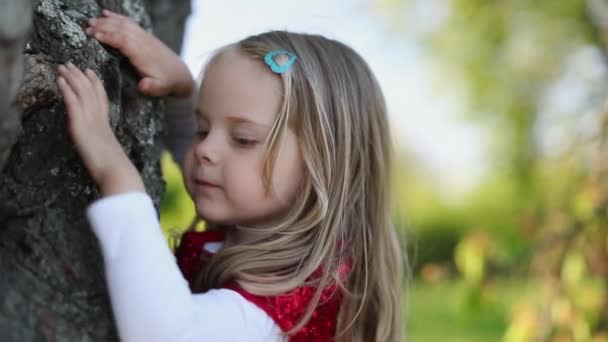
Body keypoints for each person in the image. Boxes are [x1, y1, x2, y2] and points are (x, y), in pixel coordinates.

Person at [56, 9, 404, 342]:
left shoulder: (296, 294)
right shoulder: (255, 224)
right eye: (201, 127)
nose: (205, 149)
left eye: (243, 139)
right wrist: (181, 85)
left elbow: (169, 335)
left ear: (322, 165)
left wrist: (116, 174)